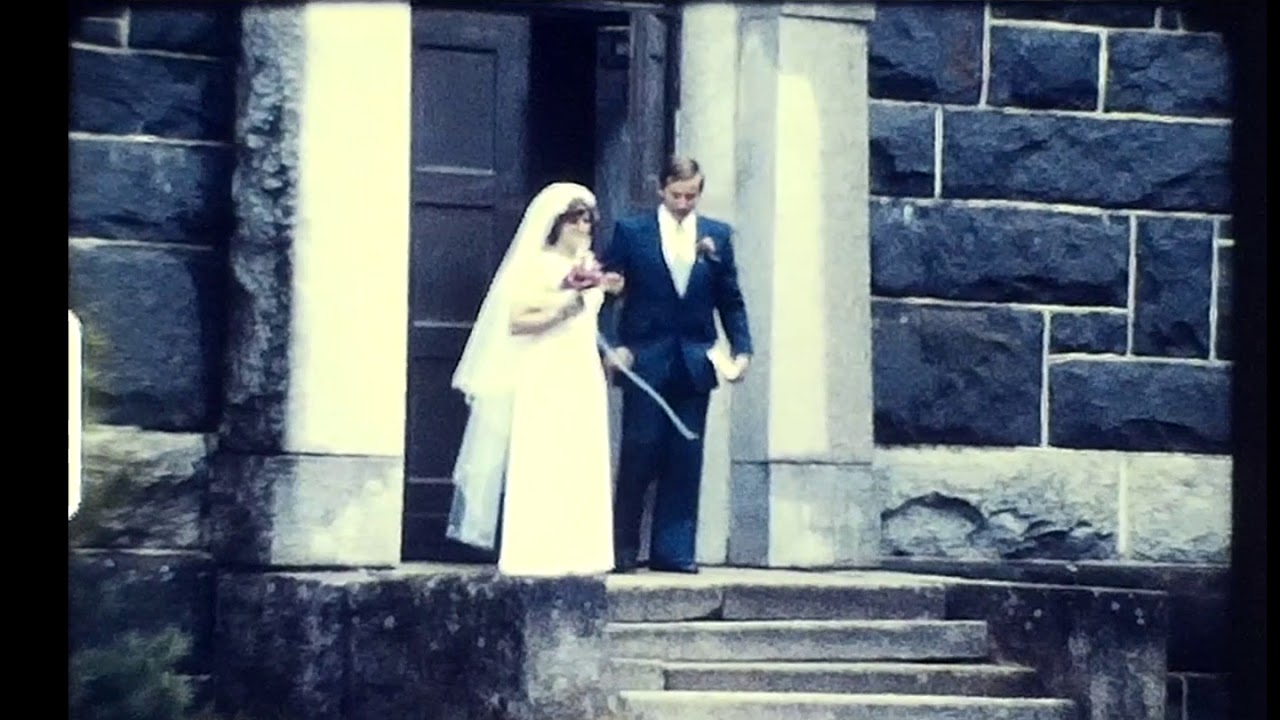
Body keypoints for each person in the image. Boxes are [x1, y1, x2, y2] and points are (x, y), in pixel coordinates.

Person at [446, 182, 623, 577]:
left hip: (580, 367)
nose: (584, 227)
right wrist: (566, 306)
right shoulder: (538, 265)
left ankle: (581, 549)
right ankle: (536, 549)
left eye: (588, 219)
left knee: (580, 454)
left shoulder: (588, 265)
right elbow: (518, 320)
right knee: (545, 451)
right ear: (556, 224)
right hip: (547, 367)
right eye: (576, 219)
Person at [599, 156, 753, 574]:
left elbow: (731, 299)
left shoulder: (717, 235)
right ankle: (622, 549)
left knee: (686, 456)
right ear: (661, 190)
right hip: (645, 358)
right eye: (676, 195)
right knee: (640, 451)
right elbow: (608, 293)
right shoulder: (632, 232)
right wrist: (612, 345)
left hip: (694, 360)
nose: (684, 203)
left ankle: (674, 551)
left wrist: (742, 350)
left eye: (691, 195)